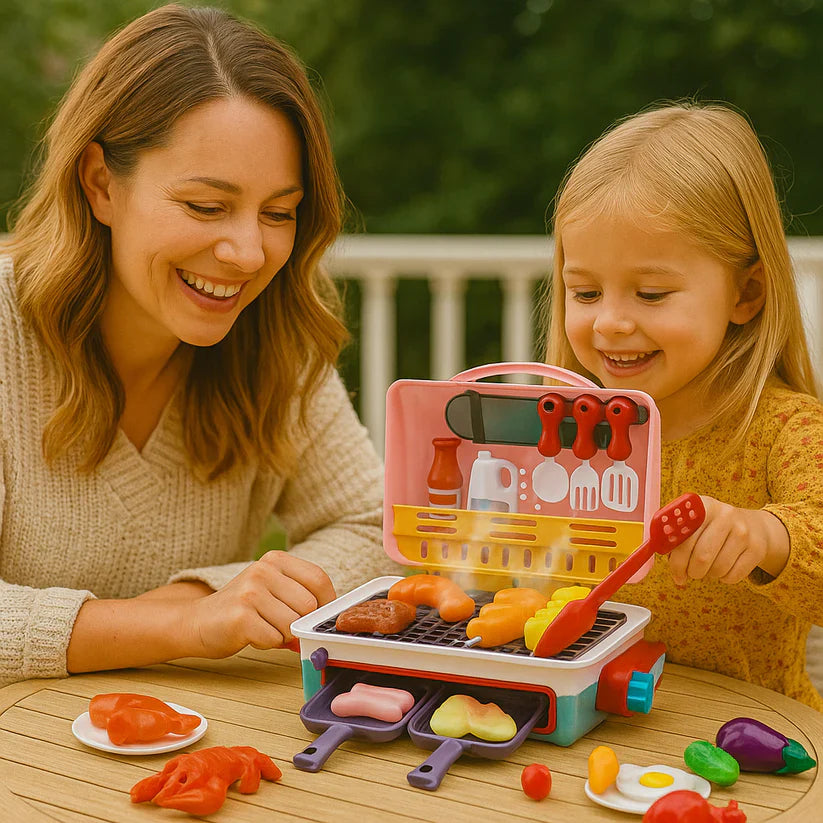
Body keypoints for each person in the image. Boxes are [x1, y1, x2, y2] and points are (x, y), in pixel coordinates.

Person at [0, 4, 400, 686]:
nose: (247, 253)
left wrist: (204, 594)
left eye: (278, 213)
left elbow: (377, 532)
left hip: (191, 755)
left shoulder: (276, 339)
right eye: (206, 206)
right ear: (99, 184)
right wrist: (182, 623)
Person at [544, 101, 823, 709]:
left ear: (745, 292)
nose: (611, 322)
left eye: (650, 293)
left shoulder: (785, 431)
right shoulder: (562, 428)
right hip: (589, 726)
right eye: (585, 292)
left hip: (754, 739)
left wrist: (766, 536)